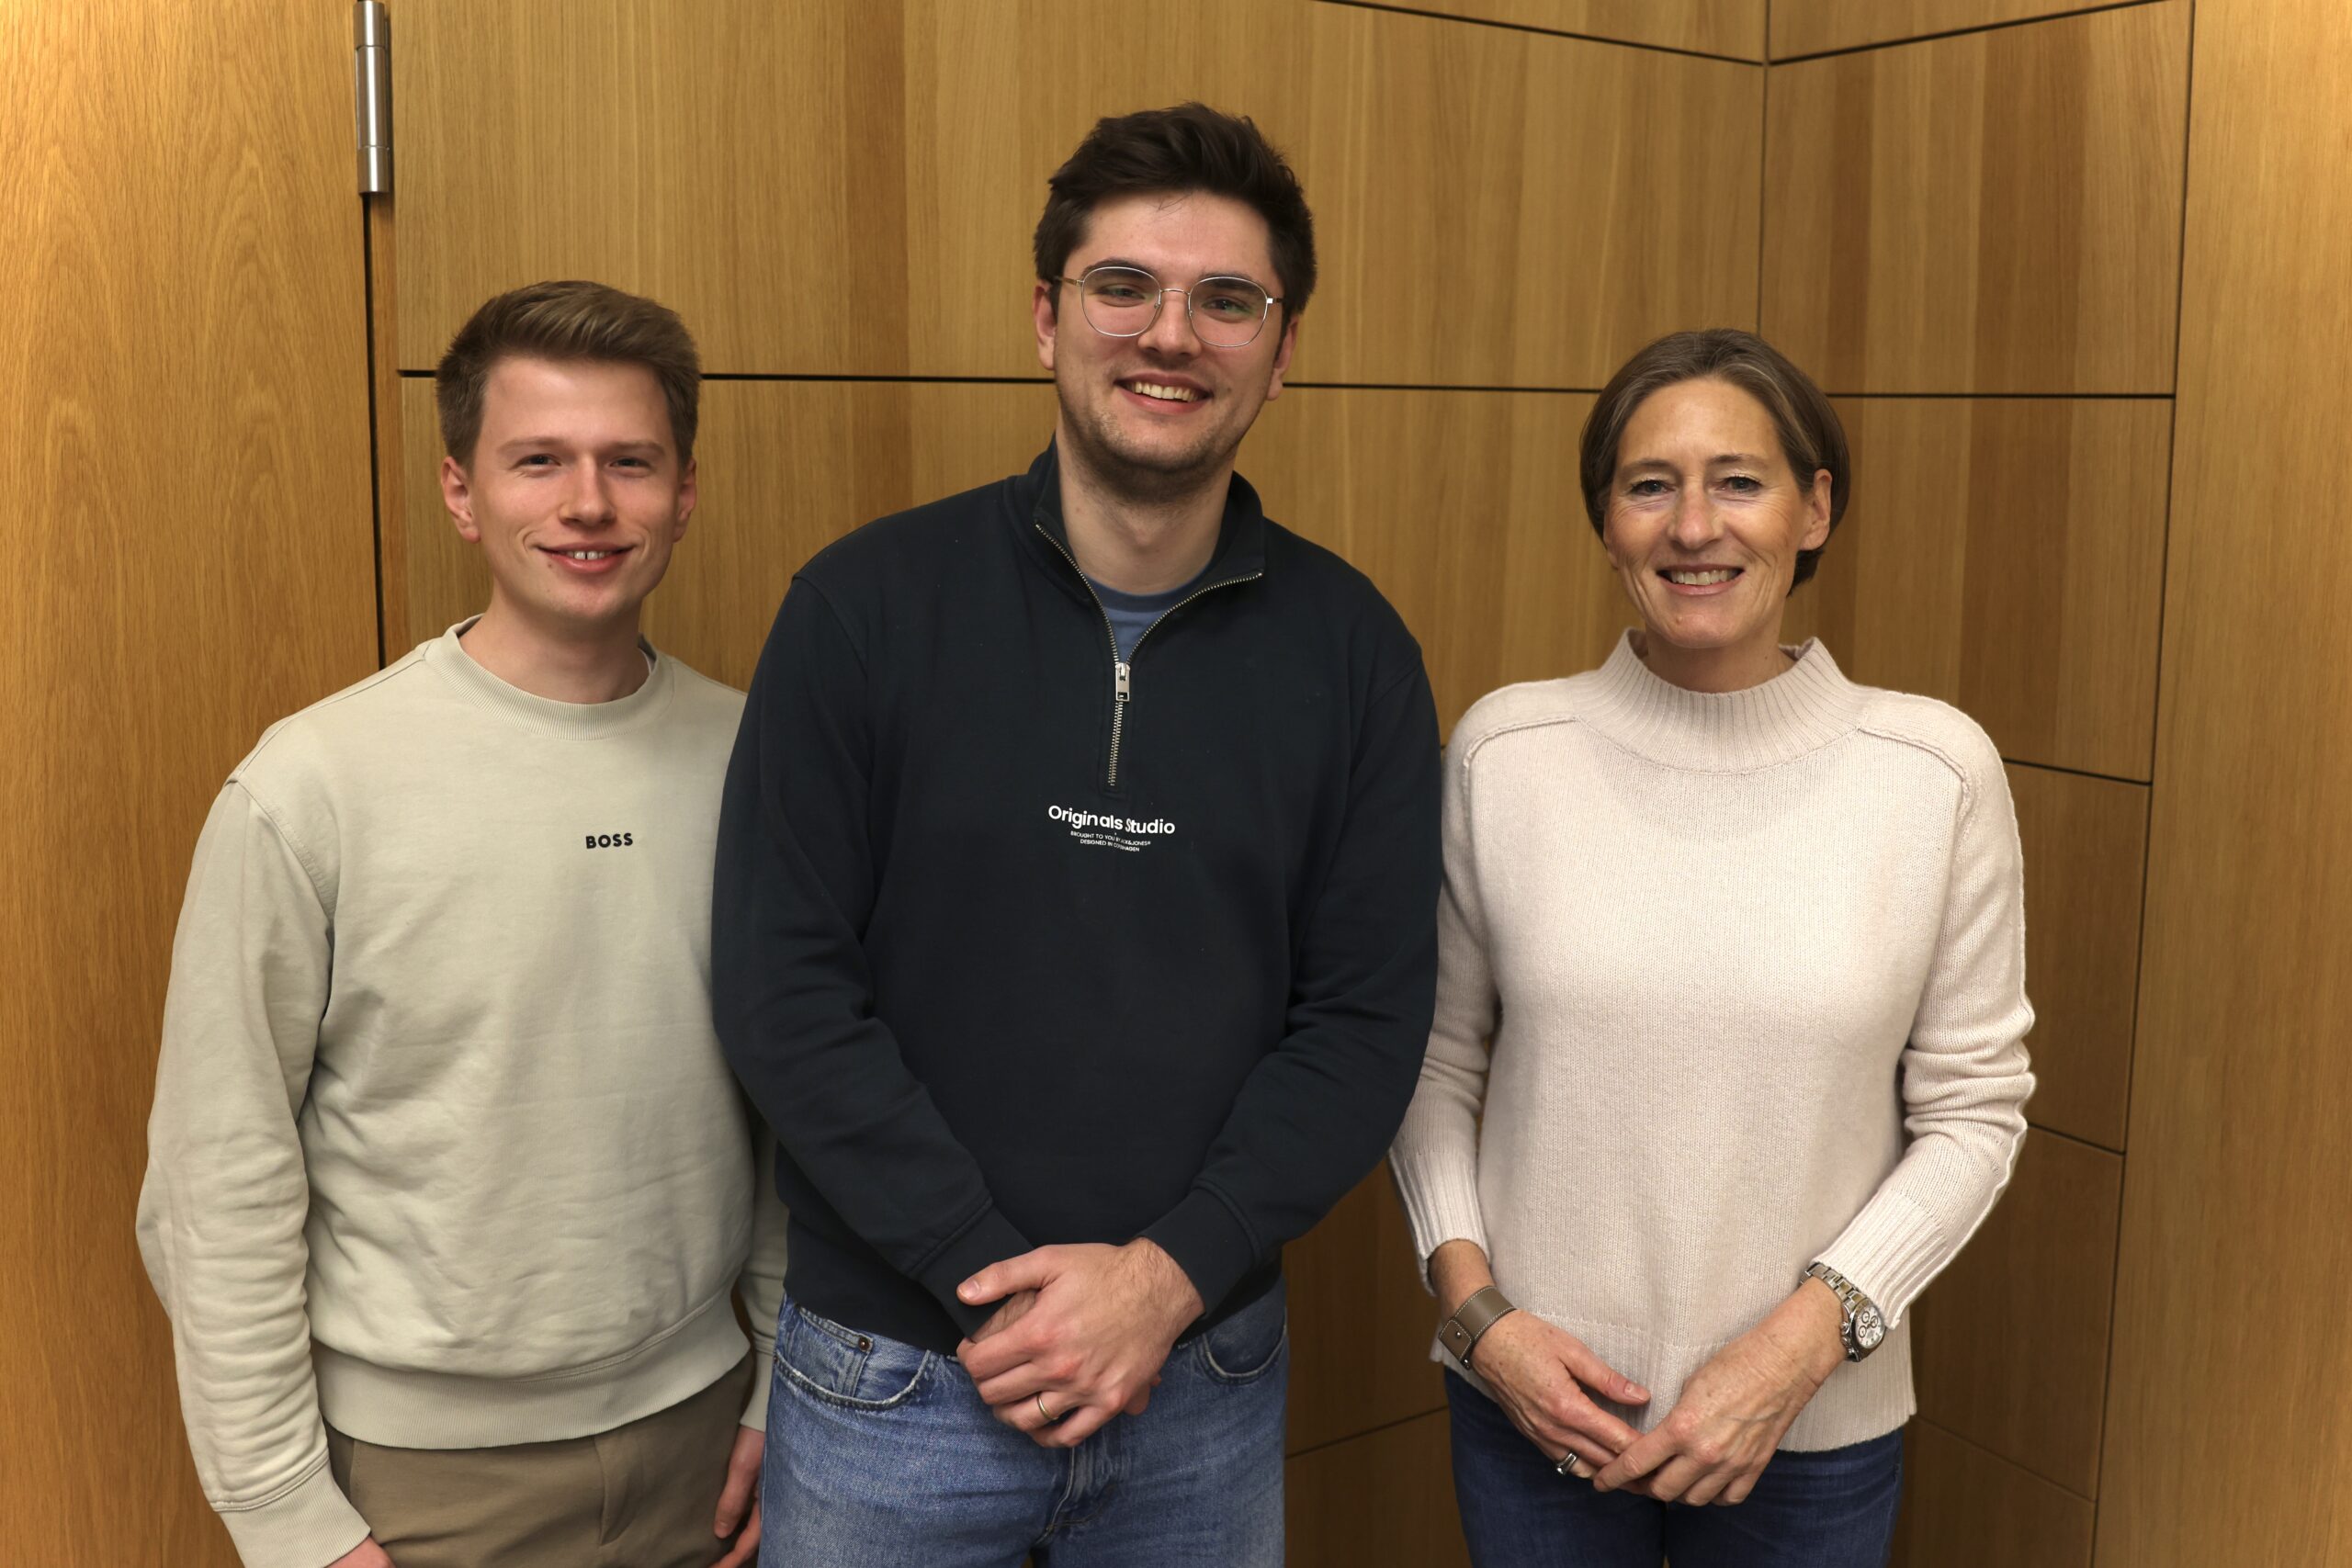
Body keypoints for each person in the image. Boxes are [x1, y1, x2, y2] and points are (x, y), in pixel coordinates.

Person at [713, 103, 1441, 1566]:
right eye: (1124, 287)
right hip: (893, 1381)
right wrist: (1002, 1288)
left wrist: (1162, 1283)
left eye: (1227, 300)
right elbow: (783, 988)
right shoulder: (863, 609)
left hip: (1200, 1378)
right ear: (1046, 318)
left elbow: (1363, 1024)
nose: (1171, 334)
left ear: (1282, 350)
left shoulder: (1357, 653)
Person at [137, 280, 787, 1568]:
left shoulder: (759, 764)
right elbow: (218, 1173)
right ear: (460, 491)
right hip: (415, 1487)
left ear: (685, 493)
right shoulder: (313, 786)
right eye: (537, 460)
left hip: (706, 1446)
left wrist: (785, 1393)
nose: (588, 503)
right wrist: (284, 1515)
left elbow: (794, 1118)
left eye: (630, 461)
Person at [1387, 328, 2035, 1568]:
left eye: (1739, 481)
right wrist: (1479, 1320)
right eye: (1650, 485)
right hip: (1534, 1412)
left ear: (1814, 509)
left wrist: (1803, 1346)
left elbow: (1975, 1110)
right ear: (1607, 520)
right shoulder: (1505, 753)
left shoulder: (1934, 772)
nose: (1695, 527)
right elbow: (1433, 1061)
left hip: (1815, 1432)